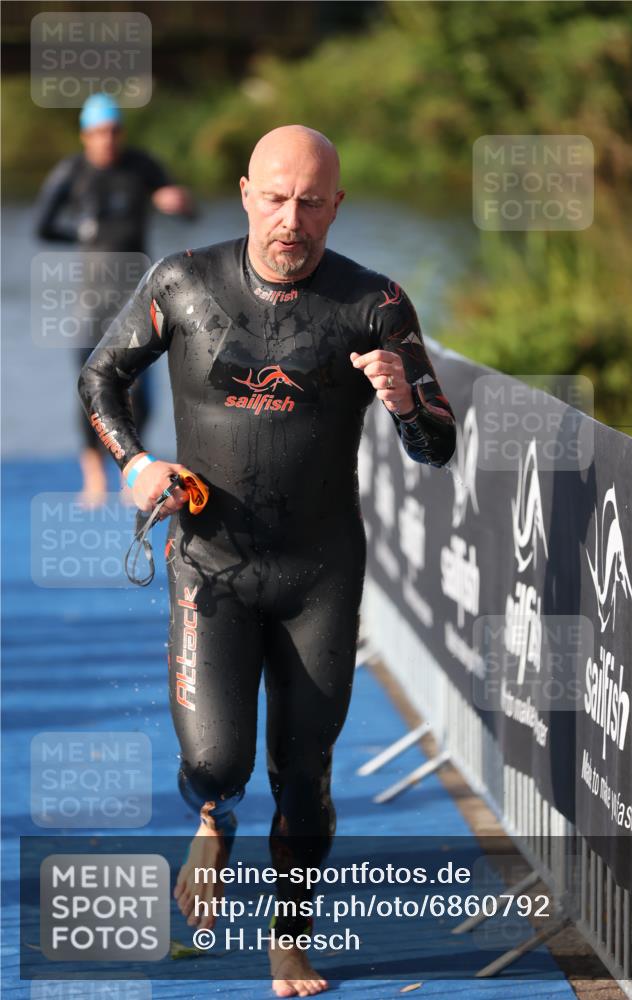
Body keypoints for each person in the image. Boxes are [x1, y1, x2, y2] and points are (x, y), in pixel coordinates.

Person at [78, 125, 456, 997]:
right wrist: (135, 464)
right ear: (247, 192)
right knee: (217, 763)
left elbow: (437, 446)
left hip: (318, 575)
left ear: (336, 205)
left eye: (312, 202)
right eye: (276, 198)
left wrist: (404, 404)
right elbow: (101, 377)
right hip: (210, 566)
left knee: (305, 774)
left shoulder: (376, 304)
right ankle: (211, 814)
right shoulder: (182, 281)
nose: (292, 219)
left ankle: (290, 936)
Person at [34, 92, 195, 506]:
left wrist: (177, 204)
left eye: (113, 131)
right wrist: (82, 235)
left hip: (136, 297)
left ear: (121, 133)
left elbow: (188, 210)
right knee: (90, 387)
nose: (107, 140)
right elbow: (42, 226)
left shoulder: (141, 166)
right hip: (91, 299)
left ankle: (132, 470)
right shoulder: (71, 172)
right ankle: (93, 478)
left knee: (141, 393)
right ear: (86, 135)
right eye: (99, 132)